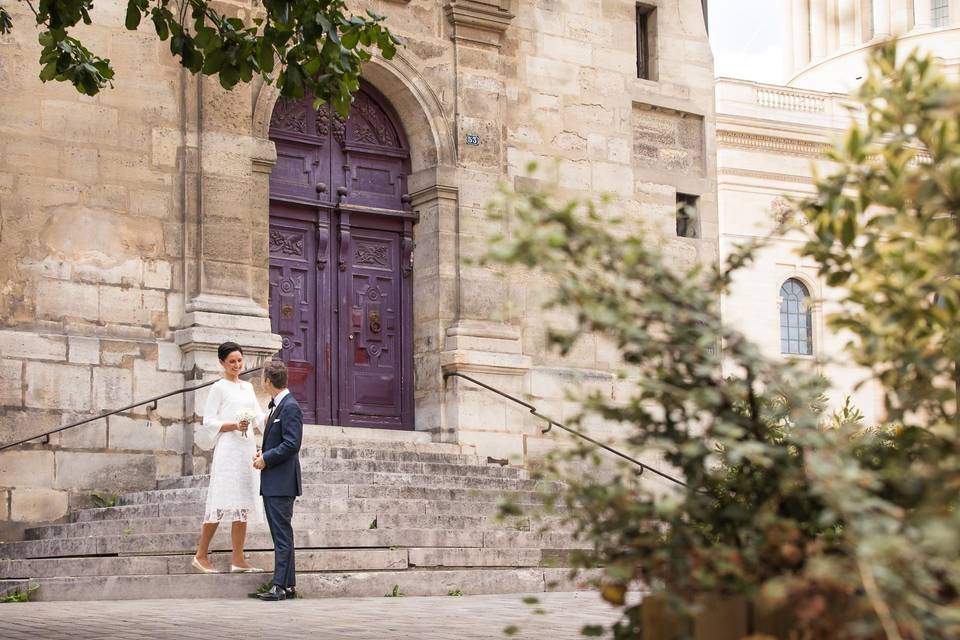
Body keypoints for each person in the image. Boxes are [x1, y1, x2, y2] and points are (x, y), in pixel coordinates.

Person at [191, 342, 264, 573]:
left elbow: (258, 417)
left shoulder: (248, 388)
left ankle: (238, 559)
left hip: (246, 448)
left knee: (242, 503)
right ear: (222, 362)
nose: (236, 365)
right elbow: (208, 421)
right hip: (228, 450)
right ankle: (201, 555)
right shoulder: (218, 388)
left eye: (239, 360)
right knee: (220, 502)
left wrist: (276, 418)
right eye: (231, 361)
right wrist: (233, 424)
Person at [251, 360, 303, 601]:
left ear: (267, 381)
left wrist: (267, 459)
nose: (262, 381)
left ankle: (279, 587)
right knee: (282, 534)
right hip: (274, 480)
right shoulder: (277, 407)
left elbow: (292, 444)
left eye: (262, 377)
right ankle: (288, 585)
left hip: (281, 482)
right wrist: (264, 454)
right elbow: (279, 441)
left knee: (281, 535)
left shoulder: (290, 407)